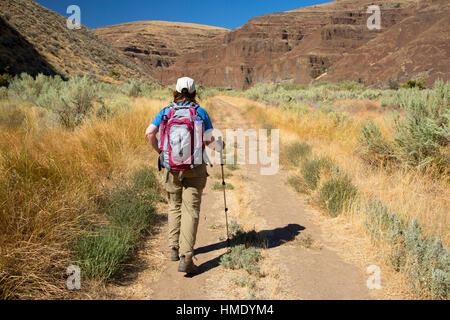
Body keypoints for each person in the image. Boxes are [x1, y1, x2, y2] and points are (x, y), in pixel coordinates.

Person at [145, 77, 218, 274]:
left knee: (174, 206)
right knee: (191, 209)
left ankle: (173, 248)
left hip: (171, 168)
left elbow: (149, 133)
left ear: (176, 91)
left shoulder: (166, 111)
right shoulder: (200, 112)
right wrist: (220, 146)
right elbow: (211, 141)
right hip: (195, 168)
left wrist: (161, 153)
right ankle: (187, 256)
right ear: (194, 92)